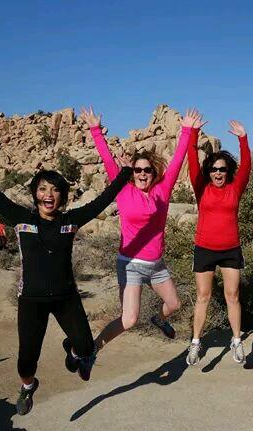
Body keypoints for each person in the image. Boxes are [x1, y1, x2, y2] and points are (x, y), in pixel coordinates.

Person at [0, 135, 132, 415]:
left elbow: (104, 200)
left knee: (85, 347)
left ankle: (72, 350)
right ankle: (28, 387)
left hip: (66, 297)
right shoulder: (21, 218)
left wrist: (126, 172)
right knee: (26, 361)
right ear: (35, 193)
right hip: (31, 299)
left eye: (55, 190)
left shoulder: (70, 221)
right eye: (43, 189)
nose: (49, 194)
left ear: (62, 196)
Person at [81, 106, 201, 354]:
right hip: (131, 264)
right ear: (132, 173)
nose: (143, 174)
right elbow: (107, 159)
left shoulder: (162, 191)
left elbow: (178, 160)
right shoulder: (123, 190)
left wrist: (187, 131)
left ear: (153, 172)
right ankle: (92, 350)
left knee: (174, 303)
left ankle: (159, 319)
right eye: (138, 170)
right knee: (129, 320)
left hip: (156, 264)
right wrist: (95, 130)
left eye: (147, 170)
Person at [185, 118, 251, 366]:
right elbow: (191, 161)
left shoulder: (235, 188)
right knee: (203, 296)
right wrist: (192, 133)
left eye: (222, 169)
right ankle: (195, 343)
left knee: (232, 295)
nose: (218, 173)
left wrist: (242, 138)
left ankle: (236, 340)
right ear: (208, 172)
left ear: (228, 171)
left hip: (230, 249)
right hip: (204, 249)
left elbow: (247, 167)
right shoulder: (201, 187)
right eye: (214, 169)